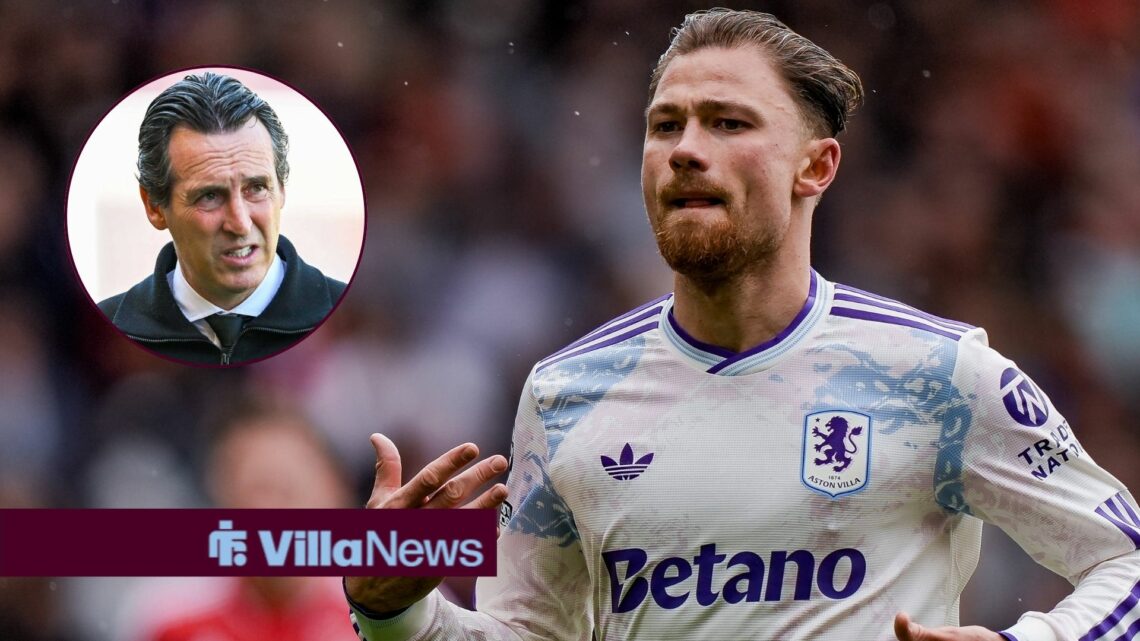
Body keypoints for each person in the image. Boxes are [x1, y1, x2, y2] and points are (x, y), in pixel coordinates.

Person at [345, 9, 1140, 641]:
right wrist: (394, 611)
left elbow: (1126, 563)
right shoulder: (566, 395)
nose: (686, 150)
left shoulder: (939, 375)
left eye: (728, 123)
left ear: (815, 166)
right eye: (666, 126)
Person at [97, 72, 346, 366]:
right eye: (210, 196)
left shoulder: (345, 317)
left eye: (256, 188)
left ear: (281, 190)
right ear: (154, 206)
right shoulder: (110, 329)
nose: (239, 223)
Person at [122, 399, 359, 641]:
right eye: (260, 489)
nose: (274, 510)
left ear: (333, 494)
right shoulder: (172, 617)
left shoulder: (373, 616)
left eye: (288, 489)